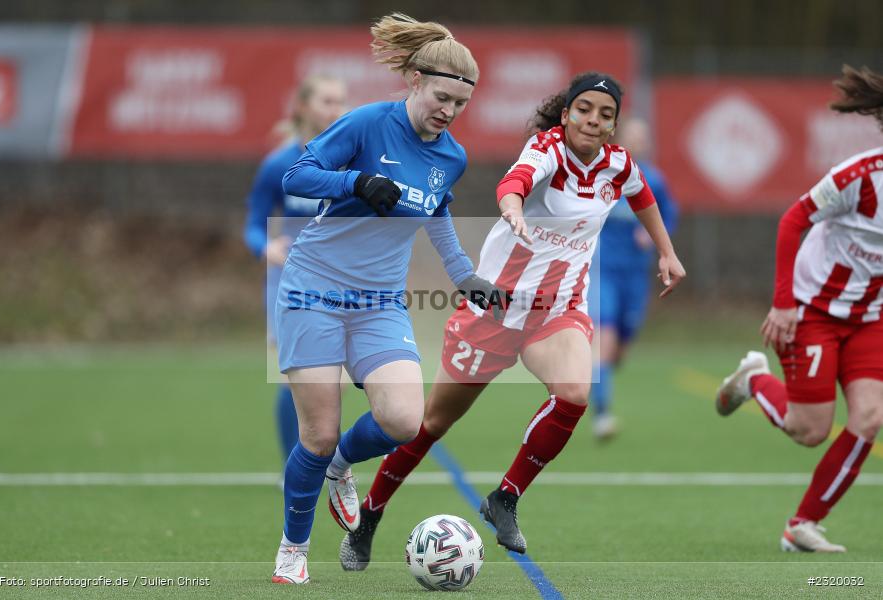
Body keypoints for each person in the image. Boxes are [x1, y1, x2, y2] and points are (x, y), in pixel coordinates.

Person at [339, 71, 686, 569]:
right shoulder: (546, 149)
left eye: (606, 114)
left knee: (574, 392)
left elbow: (643, 195)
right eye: (584, 109)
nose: (594, 119)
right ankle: (370, 515)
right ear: (566, 114)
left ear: (613, 125)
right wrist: (512, 207)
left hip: (558, 310)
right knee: (432, 422)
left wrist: (667, 252)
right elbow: (514, 181)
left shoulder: (618, 164)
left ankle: (505, 498)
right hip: (495, 311)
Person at [270, 13, 505, 584]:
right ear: (414, 81)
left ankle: (343, 466)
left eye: (460, 104)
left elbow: (438, 207)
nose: (448, 111)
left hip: (379, 301)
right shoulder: (366, 124)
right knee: (317, 435)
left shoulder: (452, 156)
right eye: (441, 97)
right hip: (313, 288)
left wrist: (463, 274)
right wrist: (354, 182)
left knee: (403, 421)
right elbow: (296, 177)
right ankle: (293, 550)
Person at [715, 65, 883, 553]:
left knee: (869, 418)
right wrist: (784, 305)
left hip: (870, 317)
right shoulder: (860, 176)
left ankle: (803, 523)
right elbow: (793, 220)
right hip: (814, 311)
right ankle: (753, 381)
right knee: (808, 431)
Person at [243, 74, 347, 474]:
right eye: (326, 101)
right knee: (297, 378)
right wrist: (264, 245)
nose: (335, 109)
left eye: (340, 101)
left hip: (340, 279)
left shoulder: (350, 158)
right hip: (292, 283)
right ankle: (297, 465)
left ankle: (319, 459)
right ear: (303, 106)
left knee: (330, 381)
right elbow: (254, 222)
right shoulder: (279, 165)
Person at [589, 117, 679, 439]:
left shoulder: (654, 180)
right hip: (601, 271)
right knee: (604, 337)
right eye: (632, 137)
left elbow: (668, 216)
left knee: (619, 349)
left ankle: (597, 377)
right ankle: (602, 414)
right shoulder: (601, 177)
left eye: (643, 137)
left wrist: (654, 234)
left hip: (635, 275)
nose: (637, 142)